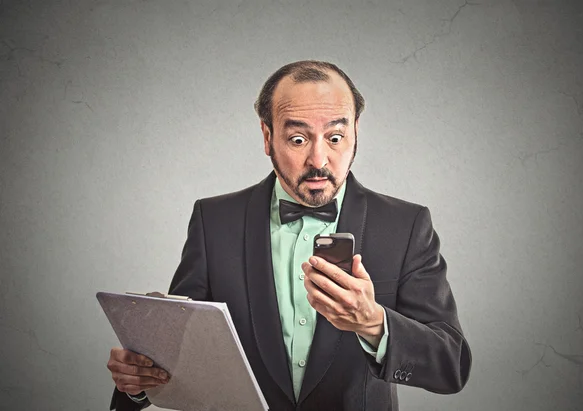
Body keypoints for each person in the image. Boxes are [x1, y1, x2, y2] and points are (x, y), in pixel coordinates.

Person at [106, 60, 472, 410]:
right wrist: (139, 380)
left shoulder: (406, 225)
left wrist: (374, 323)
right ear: (267, 137)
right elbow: (181, 357)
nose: (318, 159)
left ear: (356, 132)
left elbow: (450, 364)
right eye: (298, 139)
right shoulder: (213, 220)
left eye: (335, 136)